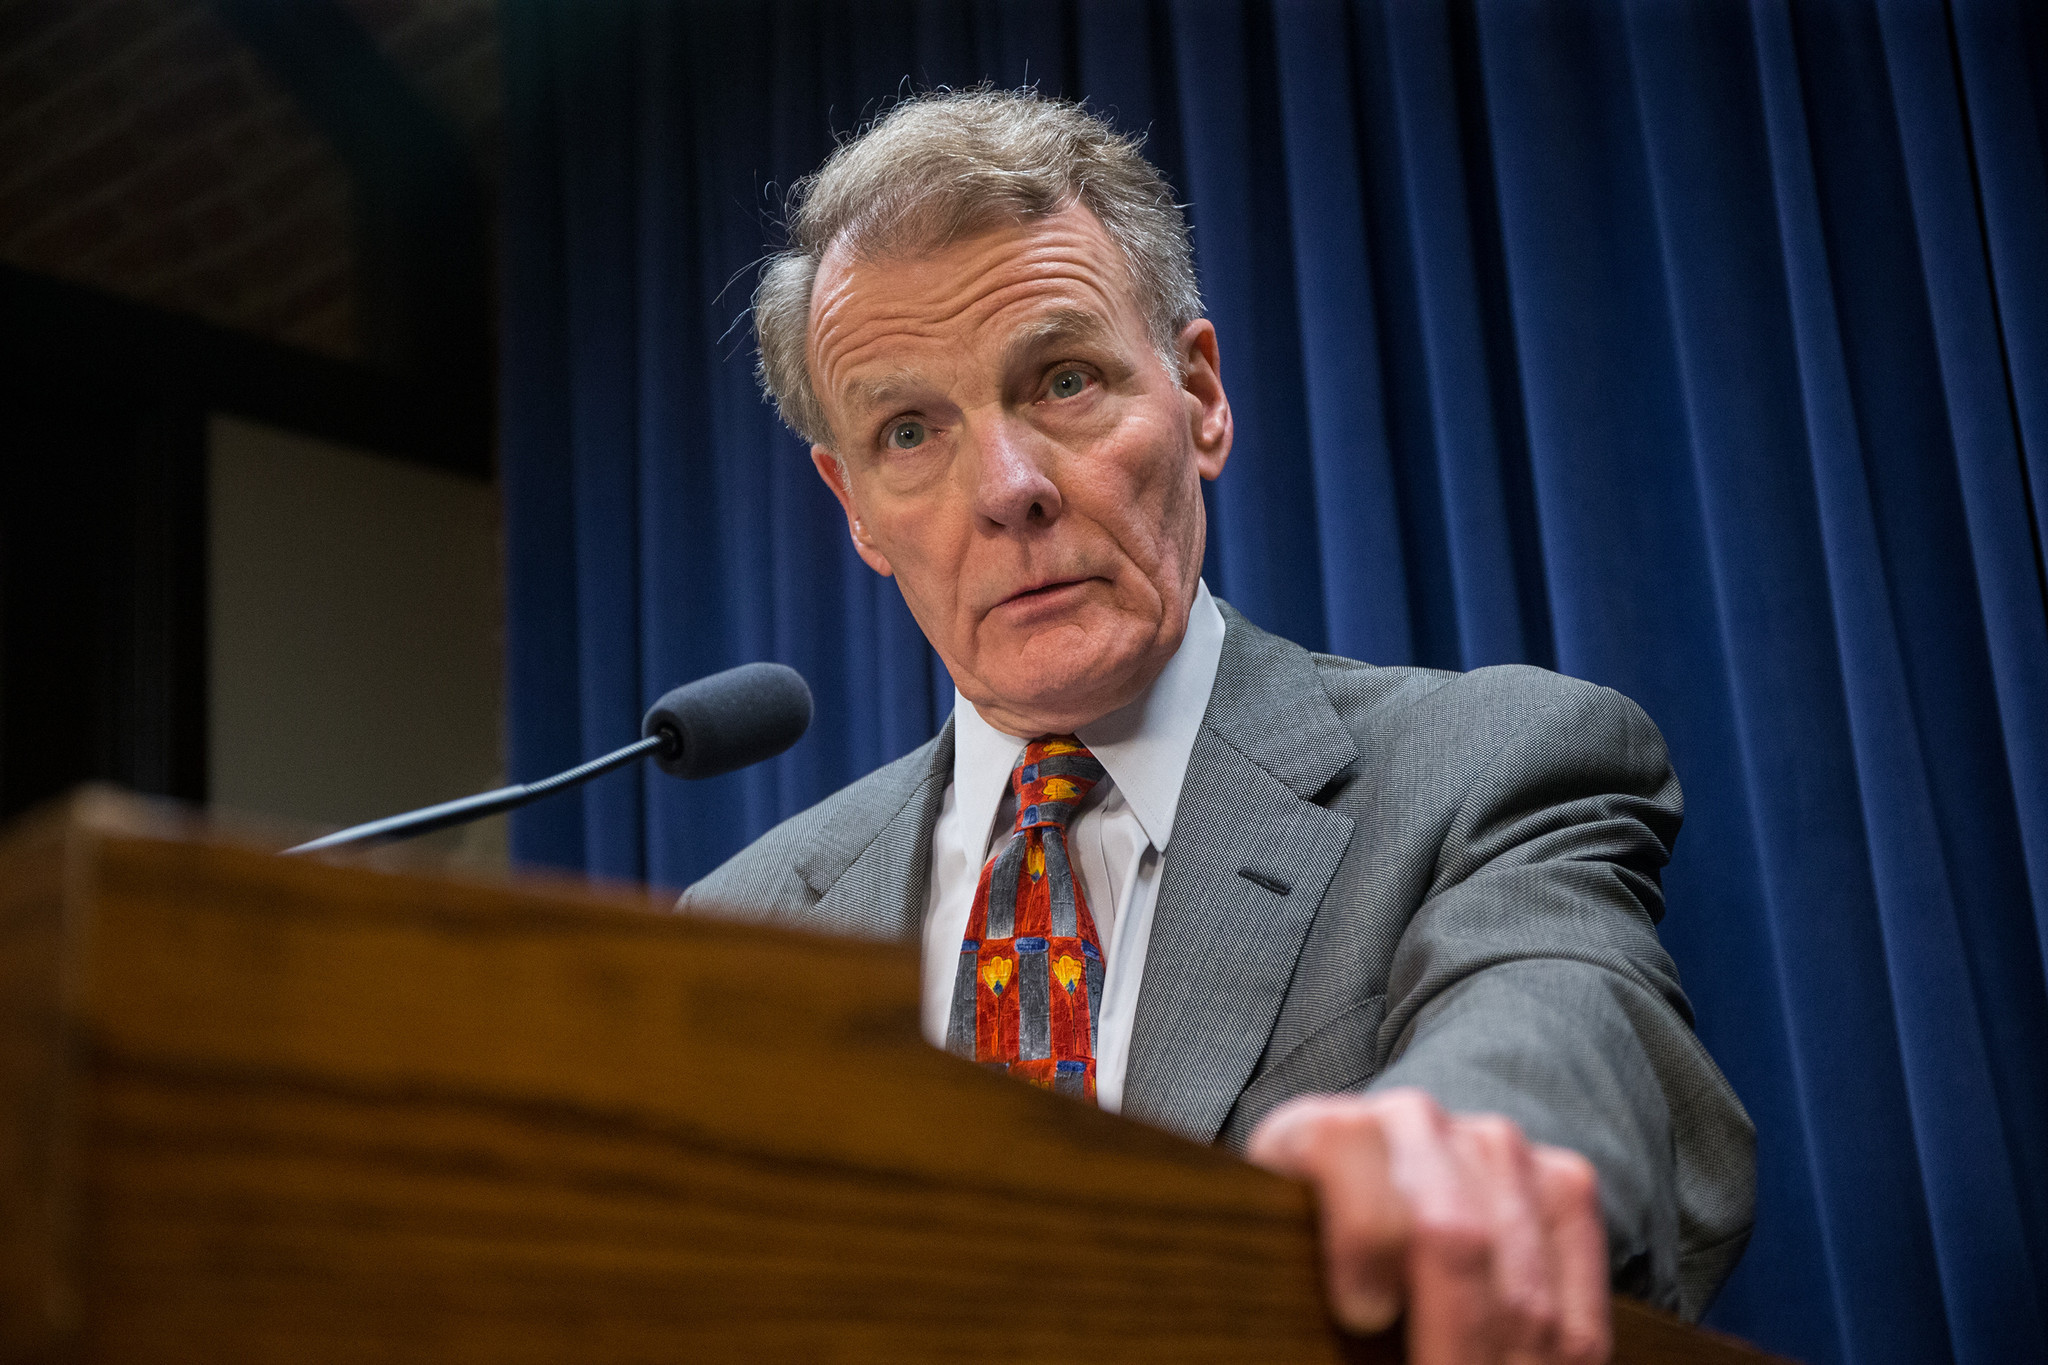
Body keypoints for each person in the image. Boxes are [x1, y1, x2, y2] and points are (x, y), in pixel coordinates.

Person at [684, 88, 1753, 1365]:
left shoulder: (1487, 764)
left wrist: (1464, 1145)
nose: (1009, 492)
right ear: (853, 506)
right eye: (910, 432)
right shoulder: (742, 930)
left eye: (1063, 380)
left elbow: (1570, 1019)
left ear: (1198, 396)